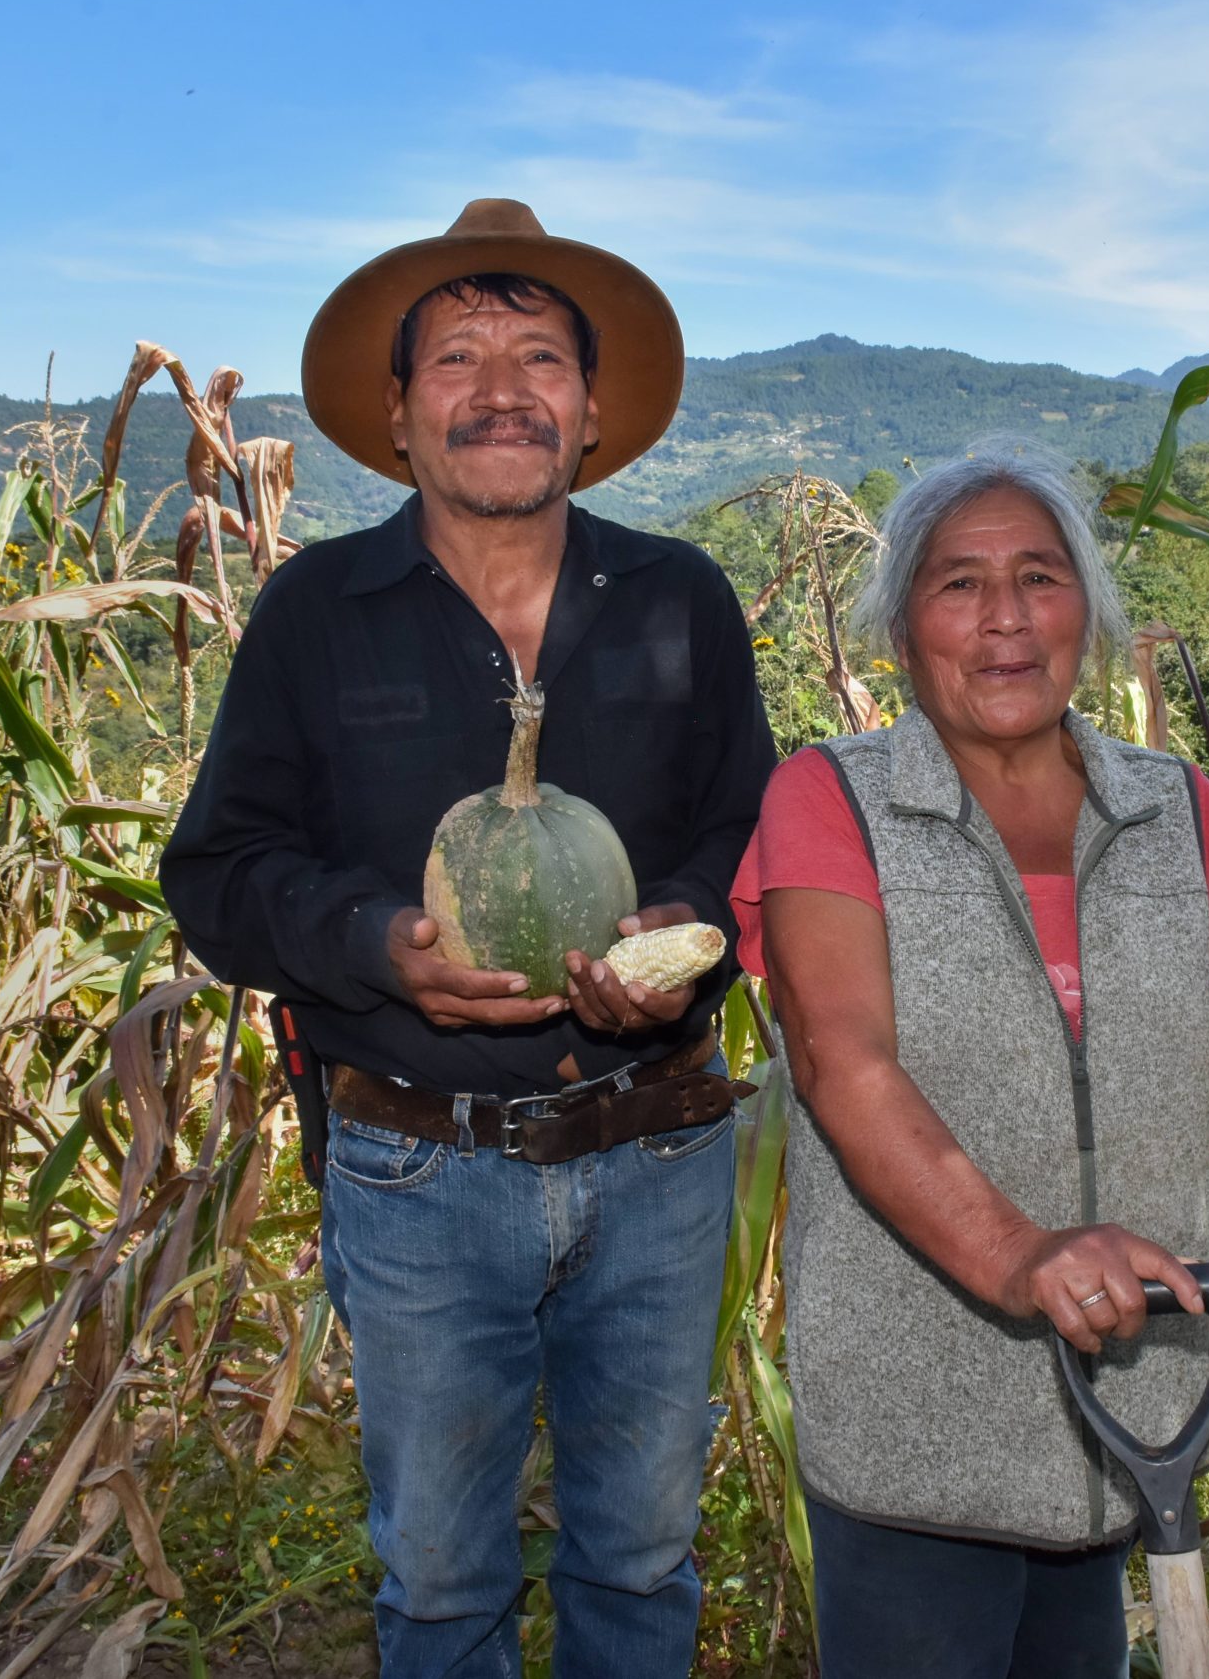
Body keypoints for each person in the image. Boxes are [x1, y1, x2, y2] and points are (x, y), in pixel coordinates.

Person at [731, 442, 1209, 1676]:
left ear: (1087, 607)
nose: (1004, 621)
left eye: (1039, 577)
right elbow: (842, 1063)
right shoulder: (831, 799)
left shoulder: (1175, 808)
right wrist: (1022, 1254)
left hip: (1125, 1402)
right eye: (958, 586)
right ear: (902, 626)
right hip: (919, 1414)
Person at [162, 199, 775, 1679]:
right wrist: (379, 941)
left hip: (660, 1153)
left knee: (640, 1554)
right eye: (457, 355)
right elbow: (219, 873)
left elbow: (756, 842)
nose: (501, 387)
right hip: (417, 1167)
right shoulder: (318, 612)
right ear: (395, 408)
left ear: (592, 406)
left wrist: (686, 930)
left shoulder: (681, 601)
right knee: (439, 1580)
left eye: (540, 355)